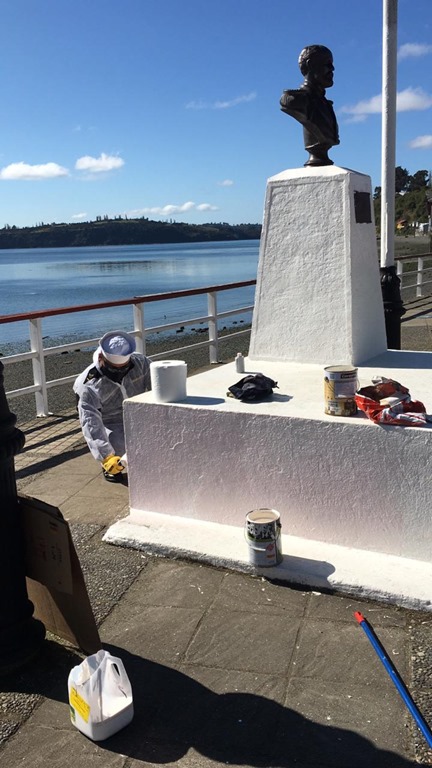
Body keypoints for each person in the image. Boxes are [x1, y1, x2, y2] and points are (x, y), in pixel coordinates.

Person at [74, 330, 152, 482]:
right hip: (110, 422)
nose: (120, 372)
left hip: (140, 413)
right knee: (122, 452)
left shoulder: (141, 363)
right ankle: (109, 467)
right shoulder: (87, 384)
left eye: (124, 368)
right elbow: (90, 422)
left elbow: (159, 386)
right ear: (101, 358)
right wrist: (106, 456)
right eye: (114, 369)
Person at [280, 44, 340, 167]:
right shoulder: (293, 100)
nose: (332, 68)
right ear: (310, 65)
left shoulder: (326, 105)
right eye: (327, 64)